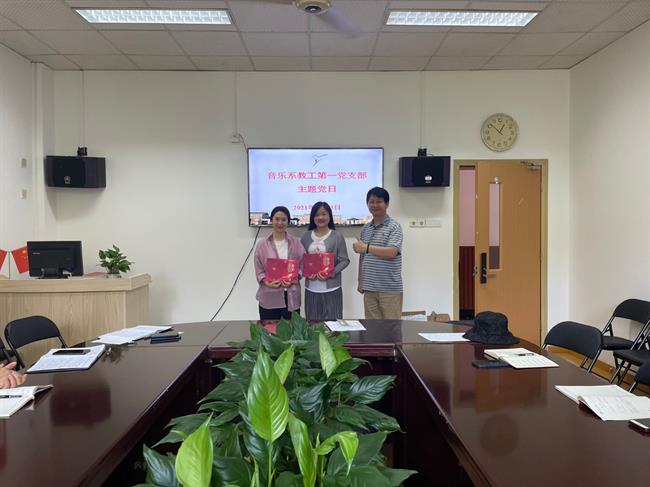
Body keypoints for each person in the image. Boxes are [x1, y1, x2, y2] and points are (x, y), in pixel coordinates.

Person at [352, 187, 403, 320]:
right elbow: (363, 257)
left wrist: (366, 248)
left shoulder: (394, 227)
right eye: (371, 202)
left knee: (392, 327)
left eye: (379, 202)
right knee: (372, 327)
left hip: (389, 289)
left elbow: (392, 252)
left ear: (387, 204)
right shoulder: (366, 228)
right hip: (369, 288)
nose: (374, 205)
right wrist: (360, 281)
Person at [300, 202, 350, 321]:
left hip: (332, 288)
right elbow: (301, 261)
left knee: (334, 324)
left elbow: (344, 260)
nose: (320, 217)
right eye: (317, 215)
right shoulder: (305, 236)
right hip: (311, 289)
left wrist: (332, 272)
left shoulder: (337, 236)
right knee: (312, 324)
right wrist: (306, 273)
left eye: (324, 214)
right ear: (313, 217)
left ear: (329, 216)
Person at [254, 206, 305, 320]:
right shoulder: (262, 245)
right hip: (269, 296)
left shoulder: (296, 243)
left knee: (292, 330)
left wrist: (294, 278)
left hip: (291, 296)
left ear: (288, 221)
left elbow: (303, 265)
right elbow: (259, 269)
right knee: (269, 329)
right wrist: (266, 281)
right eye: (277, 219)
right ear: (271, 220)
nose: (280, 223)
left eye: (283, 219)